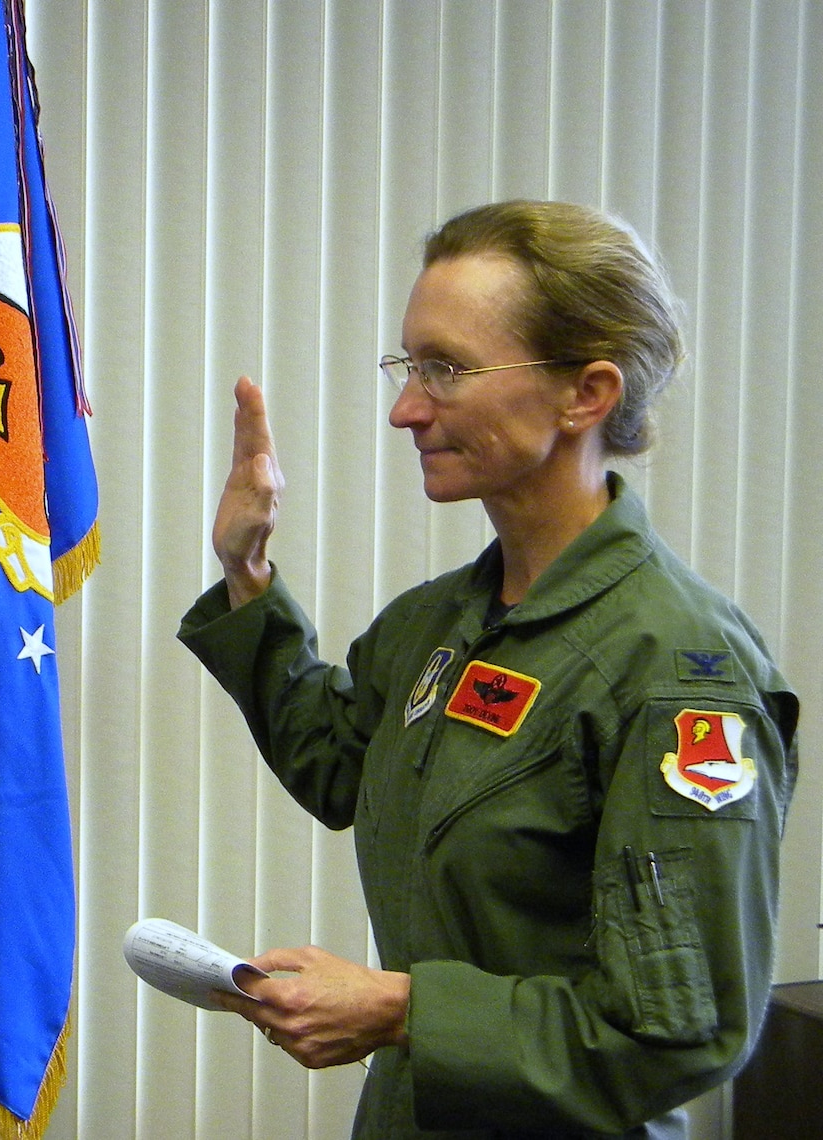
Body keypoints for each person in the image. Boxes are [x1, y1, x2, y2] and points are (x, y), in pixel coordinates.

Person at [178, 201, 797, 1138]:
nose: (405, 408)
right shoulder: (442, 621)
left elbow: (684, 1030)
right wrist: (246, 573)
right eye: (409, 365)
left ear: (586, 394)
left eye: (447, 369)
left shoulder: (676, 672)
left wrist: (402, 1010)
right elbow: (339, 765)